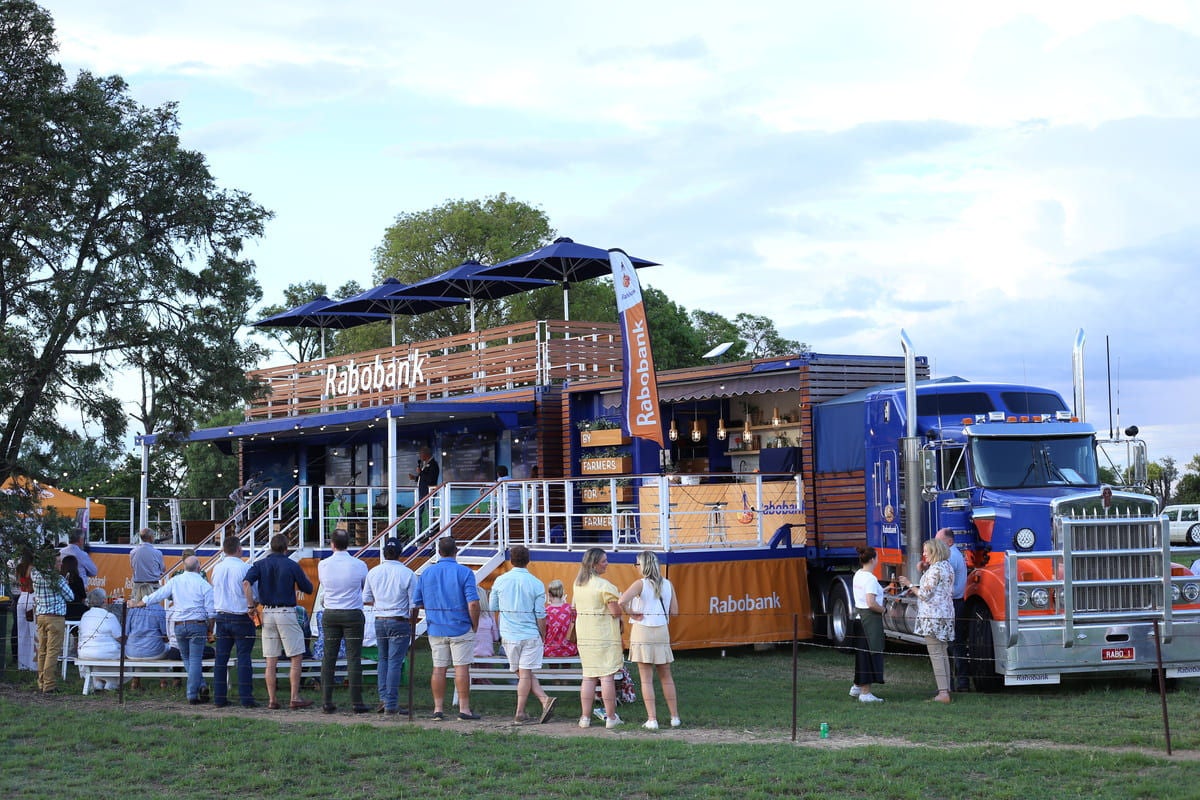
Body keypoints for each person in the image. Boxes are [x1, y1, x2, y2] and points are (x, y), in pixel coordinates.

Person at [413, 535, 481, 721]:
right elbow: (473, 603)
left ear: (439, 552)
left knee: (438, 668)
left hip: (436, 627)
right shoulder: (465, 572)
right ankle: (464, 709)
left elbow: (417, 602)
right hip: (460, 625)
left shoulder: (427, 573)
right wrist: (475, 624)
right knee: (461, 669)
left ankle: (438, 709)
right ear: (455, 551)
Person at [243, 533, 314, 710]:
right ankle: (294, 697)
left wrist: (251, 606)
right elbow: (308, 588)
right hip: (286, 611)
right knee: (296, 656)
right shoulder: (291, 564)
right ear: (286, 548)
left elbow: (246, 583)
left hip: (267, 612)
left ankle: (272, 699)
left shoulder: (260, 564)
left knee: (270, 659)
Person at [132, 555, 214, 705]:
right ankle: (192, 693)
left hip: (179, 625)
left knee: (187, 658)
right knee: (195, 659)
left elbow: (158, 595)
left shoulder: (175, 581)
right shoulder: (205, 585)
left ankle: (200, 686)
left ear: (184, 567)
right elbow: (211, 612)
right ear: (199, 567)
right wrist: (210, 628)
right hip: (198, 624)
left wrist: (141, 602)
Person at [490, 544, 556, 725]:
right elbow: (540, 614)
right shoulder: (536, 583)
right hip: (530, 633)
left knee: (523, 674)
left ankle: (522, 711)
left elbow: (493, 607)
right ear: (528, 561)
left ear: (511, 560)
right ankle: (542, 701)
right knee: (525, 673)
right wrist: (543, 634)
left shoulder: (500, 581)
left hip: (510, 634)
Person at [619, 551, 681, 730]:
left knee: (646, 678)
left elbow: (622, 600)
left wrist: (632, 612)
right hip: (662, 630)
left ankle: (652, 719)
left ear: (643, 566)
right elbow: (675, 611)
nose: (636, 567)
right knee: (666, 676)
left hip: (643, 630)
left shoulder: (640, 584)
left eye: (637, 564)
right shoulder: (668, 584)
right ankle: (674, 716)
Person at [317, 528, 370, 714]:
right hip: (353, 613)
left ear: (332, 544)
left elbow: (324, 584)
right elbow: (363, 587)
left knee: (328, 657)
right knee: (353, 657)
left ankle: (326, 700)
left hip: (331, 612)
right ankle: (357, 702)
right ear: (349, 543)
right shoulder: (360, 565)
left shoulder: (323, 565)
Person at [362, 538, 416, 716]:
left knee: (383, 659)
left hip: (379, 618)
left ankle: (384, 699)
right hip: (398, 619)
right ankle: (391, 703)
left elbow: (367, 599)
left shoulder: (374, 572)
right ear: (400, 553)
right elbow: (413, 603)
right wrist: (412, 622)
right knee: (394, 661)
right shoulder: (408, 573)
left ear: (384, 553)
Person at [573, 547, 624, 729]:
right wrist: (623, 605)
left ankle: (585, 718)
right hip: (603, 636)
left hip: (585, 635)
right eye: (604, 561)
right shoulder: (605, 586)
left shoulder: (578, 584)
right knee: (606, 677)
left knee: (588, 677)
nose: (607, 563)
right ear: (595, 564)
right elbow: (615, 612)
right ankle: (611, 717)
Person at [901, 538, 955, 703]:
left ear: (935, 552)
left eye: (926, 551)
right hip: (946, 614)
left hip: (933, 616)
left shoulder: (935, 570)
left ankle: (943, 693)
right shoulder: (947, 567)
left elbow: (925, 594)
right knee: (943, 650)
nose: (923, 554)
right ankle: (946, 687)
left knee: (935, 653)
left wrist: (910, 584)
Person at [210, 536, 257, 708]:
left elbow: (213, 586)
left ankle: (219, 697)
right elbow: (252, 591)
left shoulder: (217, 568)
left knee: (221, 658)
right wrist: (252, 606)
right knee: (244, 656)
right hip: (241, 615)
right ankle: (246, 697)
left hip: (222, 615)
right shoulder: (245, 568)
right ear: (239, 549)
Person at [848, 546, 887, 703]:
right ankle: (865, 693)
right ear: (872, 560)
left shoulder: (859, 574)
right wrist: (883, 610)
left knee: (861, 654)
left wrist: (884, 589)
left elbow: (867, 594)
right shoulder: (871, 578)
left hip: (859, 619)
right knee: (869, 655)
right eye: (877, 557)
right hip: (869, 620)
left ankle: (856, 686)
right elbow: (871, 603)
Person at [32, 551, 73, 693]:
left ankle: (41, 682)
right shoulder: (58, 579)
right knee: (52, 651)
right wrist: (65, 584)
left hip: (41, 616)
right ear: (51, 563)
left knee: (42, 651)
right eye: (58, 561)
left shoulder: (36, 575)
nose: (61, 564)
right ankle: (49, 684)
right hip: (55, 618)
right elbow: (70, 596)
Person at [937, 528, 970, 692]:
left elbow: (942, 583)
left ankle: (955, 684)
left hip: (953, 604)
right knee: (957, 644)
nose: (937, 545)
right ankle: (960, 683)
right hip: (957, 603)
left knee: (953, 645)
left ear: (949, 542)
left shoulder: (950, 557)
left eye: (939, 541)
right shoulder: (955, 555)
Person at [76, 588, 124, 690]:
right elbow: (120, 638)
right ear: (104, 601)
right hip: (105, 653)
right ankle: (112, 682)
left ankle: (98, 681)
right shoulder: (109, 616)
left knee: (101, 655)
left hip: (85, 652)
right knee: (124, 653)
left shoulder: (85, 615)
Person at [409, 446, 440, 536]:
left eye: (421, 454)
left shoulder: (433, 465)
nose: (420, 456)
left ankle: (432, 532)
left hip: (428, 493)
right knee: (418, 513)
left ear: (426, 454)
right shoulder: (425, 464)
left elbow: (431, 479)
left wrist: (420, 472)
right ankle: (418, 533)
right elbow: (423, 478)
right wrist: (415, 478)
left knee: (430, 513)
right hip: (422, 493)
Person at [543, 579, 577, 658]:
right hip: (569, 649)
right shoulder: (570, 610)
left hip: (550, 649)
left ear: (549, 594)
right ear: (562, 593)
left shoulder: (546, 611)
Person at [15, 550, 36, 671]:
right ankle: (32, 664)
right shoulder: (32, 568)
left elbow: (18, 582)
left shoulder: (19, 568)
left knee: (21, 633)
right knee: (32, 632)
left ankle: (22, 664)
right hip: (31, 597)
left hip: (21, 598)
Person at [129, 528, 165, 601]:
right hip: (152, 586)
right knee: (153, 609)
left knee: (137, 608)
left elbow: (132, 567)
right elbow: (163, 569)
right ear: (151, 537)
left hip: (138, 586)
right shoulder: (157, 553)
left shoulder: (133, 552)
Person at [60, 555, 87, 622]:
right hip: (77, 612)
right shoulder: (78, 580)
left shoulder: (59, 579)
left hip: (63, 611)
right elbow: (83, 597)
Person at [473, 587, 499, 658]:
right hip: (487, 653)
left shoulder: (468, 618)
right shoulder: (490, 617)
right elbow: (496, 637)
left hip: (470, 653)